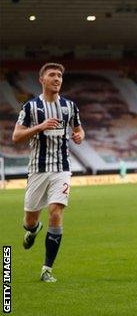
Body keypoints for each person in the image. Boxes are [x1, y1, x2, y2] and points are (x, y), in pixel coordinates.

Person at [12, 62, 85, 282]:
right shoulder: (31, 107)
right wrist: (39, 127)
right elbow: (16, 137)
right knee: (30, 220)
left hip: (62, 168)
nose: (57, 79)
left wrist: (80, 135)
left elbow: (78, 129)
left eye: (60, 75)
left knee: (55, 212)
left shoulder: (69, 106)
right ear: (41, 79)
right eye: (52, 75)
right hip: (37, 169)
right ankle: (33, 230)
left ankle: (47, 269)